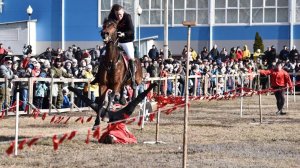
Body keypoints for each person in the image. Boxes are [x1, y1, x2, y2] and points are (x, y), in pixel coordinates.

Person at [106, 4, 136, 88]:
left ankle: (133, 79)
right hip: (116, 41)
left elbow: (131, 31)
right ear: (114, 13)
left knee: (131, 57)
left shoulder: (127, 17)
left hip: (126, 41)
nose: (119, 16)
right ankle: (98, 75)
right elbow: (108, 27)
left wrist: (123, 33)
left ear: (123, 12)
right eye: (117, 14)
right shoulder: (111, 17)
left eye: (120, 14)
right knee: (104, 54)